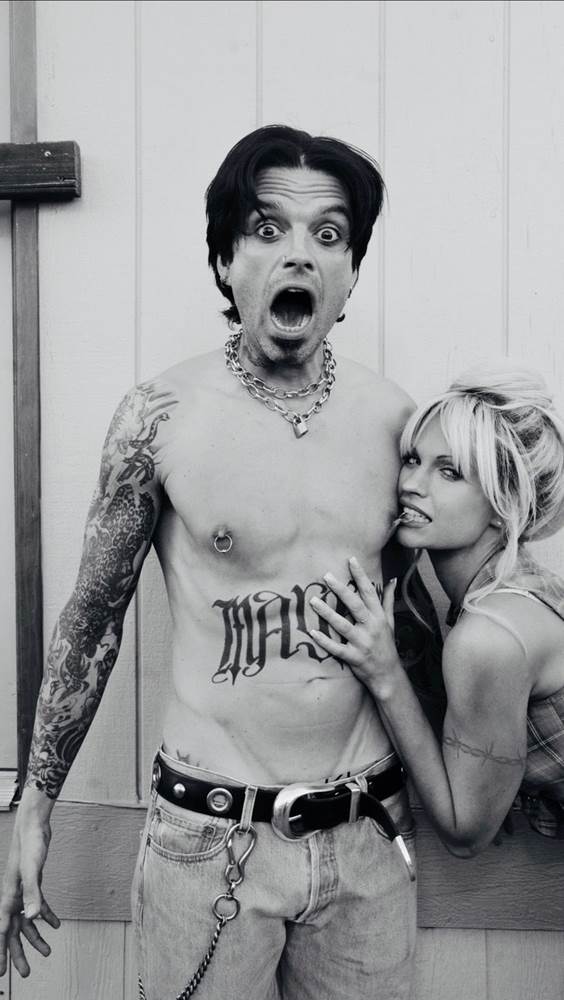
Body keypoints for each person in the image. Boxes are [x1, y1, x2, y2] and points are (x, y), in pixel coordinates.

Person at [0, 125, 439, 1000]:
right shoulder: (159, 418)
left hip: (366, 834)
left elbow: (434, 614)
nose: (300, 253)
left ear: (352, 271)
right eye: (268, 228)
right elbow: (92, 619)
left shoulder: (400, 425)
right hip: (208, 843)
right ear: (224, 260)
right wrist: (34, 808)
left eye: (329, 234)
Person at [311, 364, 564, 857]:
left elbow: (465, 834)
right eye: (412, 459)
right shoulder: (526, 591)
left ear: (504, 504)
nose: (411, 483)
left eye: (450, 472)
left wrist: (385, 673)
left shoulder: (491, 637)